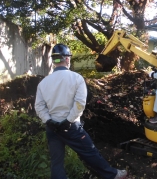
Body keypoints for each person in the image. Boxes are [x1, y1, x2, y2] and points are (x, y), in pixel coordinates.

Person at [35, 43, 127, 179]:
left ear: (54, 60)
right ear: (67, 59)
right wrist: (68, 121)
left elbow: (39, 107)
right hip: (71, 128)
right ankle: (112, 175)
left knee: (56, 162)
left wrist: (48, 121)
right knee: (90, 152)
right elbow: (79, 104)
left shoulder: (43, 83)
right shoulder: (76, 78)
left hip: (52, 129)